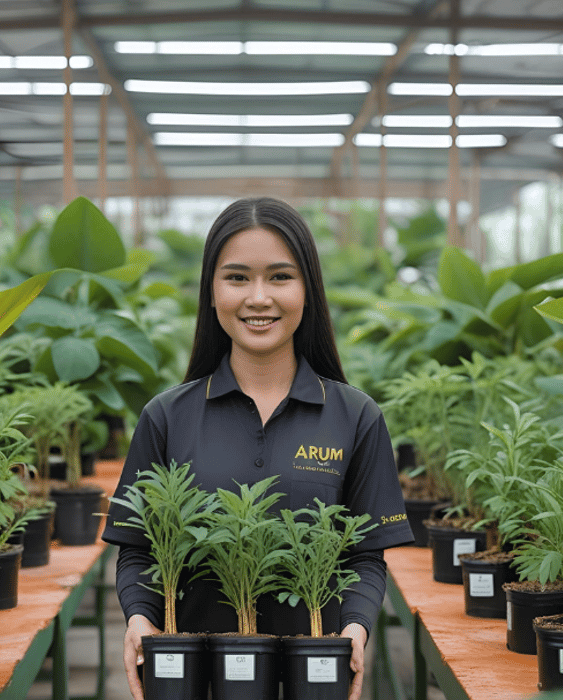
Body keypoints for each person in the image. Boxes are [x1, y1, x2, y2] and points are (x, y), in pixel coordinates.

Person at [101, 196, 414, 700]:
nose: (259, 298)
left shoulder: (356, 416)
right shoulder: (167, 416)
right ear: (211, 291)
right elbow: (138, 549)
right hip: (191, 680)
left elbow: (365, 556)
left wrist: (355, 628)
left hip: (314, 675)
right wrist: (139, 618)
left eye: (281, 277)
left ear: (308, 290)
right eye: (238, 277)